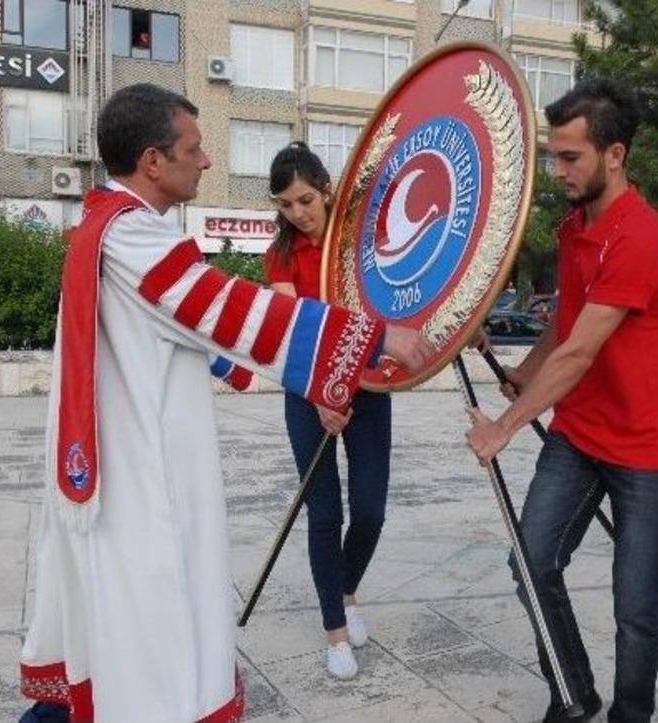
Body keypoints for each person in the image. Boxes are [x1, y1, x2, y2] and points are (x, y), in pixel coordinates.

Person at [17, 83, 432, 723]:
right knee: (150, 636)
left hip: (107, 465)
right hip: (138, 479)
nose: (206, 160)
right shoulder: (135, 236)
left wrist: (230, 362)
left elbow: (177, 320)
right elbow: (229, 309)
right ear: (154, 160)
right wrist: (374, 335)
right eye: (195, 147)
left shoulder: (103, 225)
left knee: (110, 623)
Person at [465, 79, 658, 723]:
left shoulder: (640, 237)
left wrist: (505, 427)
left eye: (570, 157)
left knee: (636, 607)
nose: (557, 170)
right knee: (533, 561)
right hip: (582, 434)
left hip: (650, 448)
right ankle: (573, 698)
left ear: (615, 154)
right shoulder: (575, 229)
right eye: (553, 155)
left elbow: (581, 352)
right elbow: (562, 330)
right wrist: (520, 374)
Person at [263, 143, 392, 680]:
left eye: (306, 199)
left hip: (368, 388)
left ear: (326, 187)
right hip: (307, 394)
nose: (298, 212)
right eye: (287, 204)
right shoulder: (282, 253)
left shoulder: (362, 240)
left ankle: (345, 589)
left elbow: (387, 306)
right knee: (325, 513)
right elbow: (293, 330)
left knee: (369, 510)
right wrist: (322, 394)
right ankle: (335, 630)